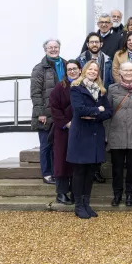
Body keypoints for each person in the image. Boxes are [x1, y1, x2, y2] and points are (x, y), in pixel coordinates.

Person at [68, 61, 113, 219]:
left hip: (95, 134)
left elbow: (108, 111)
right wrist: (97, 110)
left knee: (90, 172)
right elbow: (79, 110)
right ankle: (78, 205)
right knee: (80, 171)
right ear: (84, 70)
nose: (93, 72)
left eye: (96, 70)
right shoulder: (76, 88)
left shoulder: (101, 91)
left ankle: (86, 203)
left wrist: (93, 113)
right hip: (81, 135)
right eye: (90, 69)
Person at [106, 61, 132, 207]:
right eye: (126, 70)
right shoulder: (112, 89)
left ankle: (130, 193)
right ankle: (117, 194)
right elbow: (107, 112)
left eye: (131, 70)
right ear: (120, 73)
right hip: (116, 132)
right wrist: (106, 133)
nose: (129, 73)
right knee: (117, 168)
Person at [31, 39, 67, 185]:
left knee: (58, 145)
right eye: (50, 47)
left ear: (59, 48)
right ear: (45, 49)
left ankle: (57, 172)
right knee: (46, 145)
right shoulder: (39, 68)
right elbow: (35, 92)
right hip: (45, 113)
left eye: (56, 47)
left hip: (61, 113)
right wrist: (40, 113)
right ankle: (47, 173)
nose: (53, 49)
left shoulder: (65, 65)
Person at [49, 59, 81, 205]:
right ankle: (61, 193)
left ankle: (75, 192)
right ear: (66, 72)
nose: (72, 71)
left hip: (80, 130)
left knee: (76, 162)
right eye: (69, 69)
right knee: (62, 161)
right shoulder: (59, 88)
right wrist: (67, 124)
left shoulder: (85, 86)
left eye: (75, 68)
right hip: (63, 130)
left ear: (80, 70)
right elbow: (54, 109)